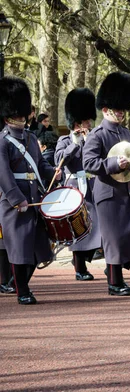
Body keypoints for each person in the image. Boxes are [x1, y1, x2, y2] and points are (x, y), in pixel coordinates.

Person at [82, 72, 130, 296]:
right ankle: (114, 281)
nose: (121, 112)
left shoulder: (125, 132)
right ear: (105, 109)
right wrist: (113, 163)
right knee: (114, 239)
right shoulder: (97, 135)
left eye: (122, 108)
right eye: (117, 108)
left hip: (127, 191)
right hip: (107, 193)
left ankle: (113, 269)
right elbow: (89, 163)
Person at [0, 76, 62, 304]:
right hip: (14, 203)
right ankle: (22, 290)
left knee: (39, 247)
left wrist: (54, 171)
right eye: (16, 114)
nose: (21, 117)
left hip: (34, 198)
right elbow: (3, 174)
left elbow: (40, 165)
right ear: (7, 116)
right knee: (18, 248)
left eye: (22, 113)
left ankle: (19, 283)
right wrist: (16, 199)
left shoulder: (30, 137)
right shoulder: (3, 142)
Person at [55, 88, 102, 281]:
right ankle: (79, 267)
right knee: (78, 227)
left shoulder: (93, 138)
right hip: (74, 185)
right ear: (76, 122)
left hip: (92, 184)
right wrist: (75, 144)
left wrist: (89, 140)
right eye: (86, 121)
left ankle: (98, 259)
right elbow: (59, 159)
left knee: (98, 225)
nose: (89, 124)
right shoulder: (64, 140)